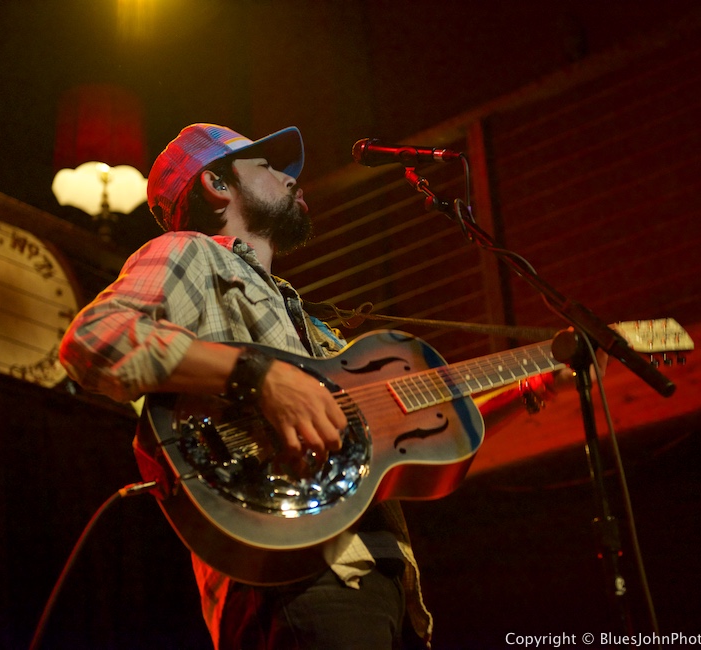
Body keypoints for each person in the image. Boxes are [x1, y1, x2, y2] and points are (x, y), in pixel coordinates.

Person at [59, 123, 433, 649]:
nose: (291, 177)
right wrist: (257, 375)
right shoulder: (190, 252)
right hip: (292, 577)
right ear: (217, 184)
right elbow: (96, 339)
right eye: (267, 165)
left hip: (382, 582)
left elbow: (397, 438)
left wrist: (516, 394)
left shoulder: (306, 318)